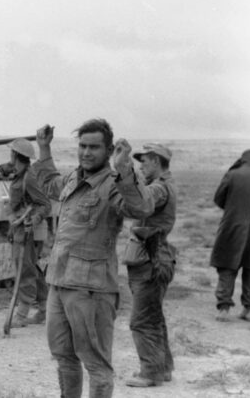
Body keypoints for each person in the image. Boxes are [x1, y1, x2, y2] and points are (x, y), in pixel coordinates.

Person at [33, 119, 154, 398]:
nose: (86, 153)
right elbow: (50, 183)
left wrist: (124, 169)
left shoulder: (114, 185)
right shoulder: (75, 179)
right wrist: (44, 149)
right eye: (82, 146)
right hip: (59, 282)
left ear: (109, 150)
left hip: (91, 289)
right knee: (64, 358)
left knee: (96, 364)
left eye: (94, 147)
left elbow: (142, 207)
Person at [123, 144, 177, 387]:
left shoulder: (158, 188)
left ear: (156, 160)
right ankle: (162, 367)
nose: (142, 166)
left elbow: (143, 201)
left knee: (141, 320)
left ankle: (151, 371)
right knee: (153, 315)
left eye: (144, 161)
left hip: (151, 258)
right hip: (157, 255)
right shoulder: (165, 185)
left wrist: (125, 175)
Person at [3, 138, 52, 328]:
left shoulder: (29, 177)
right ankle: (44, 309)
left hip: (29, 231)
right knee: (34, 270)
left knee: (25, 269)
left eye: (12, 153)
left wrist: (35, 220)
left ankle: (22, 313)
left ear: (16, 155)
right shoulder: (20, 175)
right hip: (20, 229)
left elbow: (44, 205)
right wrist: (12, 228)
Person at [210, 149, 250, 323]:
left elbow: (218, 198)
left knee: (227, 266)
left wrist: (232, 208)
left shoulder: (232, 174)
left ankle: (224, 309)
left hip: (231, 227)